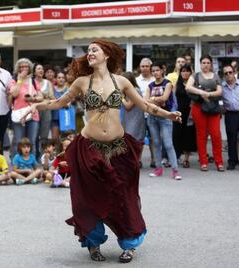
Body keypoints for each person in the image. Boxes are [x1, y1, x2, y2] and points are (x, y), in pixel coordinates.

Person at [22, 40, 182, 263]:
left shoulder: (122, 81)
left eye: (94, 50)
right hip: (89, 147)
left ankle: (129, 243)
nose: (90, 53)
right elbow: (59, 102)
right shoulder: (81, 82)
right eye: (88, 51)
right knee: (88, 198)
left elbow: (144, 105)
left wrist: (168, 115)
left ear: (106, 54)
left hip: (119, 148)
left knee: (123, 195)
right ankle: (93, 243)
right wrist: (35, 106)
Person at [185, 55, 225, 172]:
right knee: (201, 135)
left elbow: (220, 91)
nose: (205, 65)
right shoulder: (195, 75)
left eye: (208, 63)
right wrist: (202, 92)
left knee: (216, 134)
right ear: (200, 64)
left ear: (211, 64)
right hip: (199, 107)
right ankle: (203, 162)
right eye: (203, 63)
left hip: (213, 107)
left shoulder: (216, 76)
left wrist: (208, 94)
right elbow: (188, 87)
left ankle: (219, 162)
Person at [145, 62, 182, 180]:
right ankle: (158, 168)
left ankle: (175, 171)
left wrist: (153, 99)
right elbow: (145, 101)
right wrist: (156, 100)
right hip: (152, 117)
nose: (155, 72)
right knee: (156, 143)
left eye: (157, 70)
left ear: (162, 70)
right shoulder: (150, 85)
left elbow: (165, 98)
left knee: (168, 144)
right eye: (153, 71)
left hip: (165, 117)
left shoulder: (168, 84)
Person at [9, 58, 43, 157]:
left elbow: (41, 97)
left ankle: (32, 165)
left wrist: (33, 99)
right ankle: (16, 165)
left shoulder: (33, 80)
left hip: (33, 114)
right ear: (18, 68)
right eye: (21, 67)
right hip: (19, 114)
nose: (24, 68)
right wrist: (20, 80)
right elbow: (14, 93)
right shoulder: (13, 80)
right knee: (18, 141)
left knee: (32, 141)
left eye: (26, 67)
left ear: (29, 68)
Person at [173, 64, 197, 168]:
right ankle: (175, 157)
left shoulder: (194, 84)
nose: (185, 73)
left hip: (190, 113)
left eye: (187, 71)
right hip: (178, 112)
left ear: (191, 73)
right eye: (183, 71)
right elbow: (172, 99)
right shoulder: (176, 84)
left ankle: (186, 159)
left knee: (188, 135)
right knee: (176, 135)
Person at [136, 58, 155, 168]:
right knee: (139, 138)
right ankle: (138, 160)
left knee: (153, 138)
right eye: (142, 66)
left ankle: (153, 160)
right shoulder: (136, 80)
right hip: (139, 114)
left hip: (152, 113)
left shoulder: (155, 79)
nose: (144, 68)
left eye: (147, 66)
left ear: (150, 67)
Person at [34, 63, 54, 157]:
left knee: (44, 135)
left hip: (46, 110)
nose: (41, 70)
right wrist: (42, 96)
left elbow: (51, 96)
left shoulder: (47, 82)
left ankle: (43, 155)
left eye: (42, 69)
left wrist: (40, 96)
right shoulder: (31, 82)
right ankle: (34, 155)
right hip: (35, 110)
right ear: (34, 71)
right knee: (33, 135)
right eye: (38, 69)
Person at [51, 71, 69, 139]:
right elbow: (50, 102)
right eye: (59, 77)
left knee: (66, 139)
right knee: (55, 139)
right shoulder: (52, 89)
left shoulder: (68, 90)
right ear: (55, 79)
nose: (61, 79)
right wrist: (63, 102)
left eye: (63, 78)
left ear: (65, 79)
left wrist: (57, 102)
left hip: (66, 118)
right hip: (54, 117)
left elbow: (68, 105)